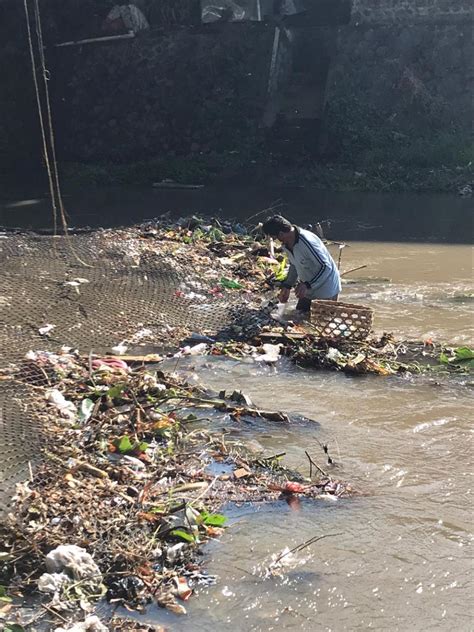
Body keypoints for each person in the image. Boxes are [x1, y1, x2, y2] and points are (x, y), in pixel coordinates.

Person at [261, 214, 341, 314]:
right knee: (299, 315)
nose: (277, 240)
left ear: (281, 234)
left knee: (322, 321)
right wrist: (287, 286)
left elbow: (326, 267)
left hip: (326, 289)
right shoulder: (287, 244)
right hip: (308, 289)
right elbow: (294, 265)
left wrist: (307, 285)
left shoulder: (307, 242)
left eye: (275, 237)